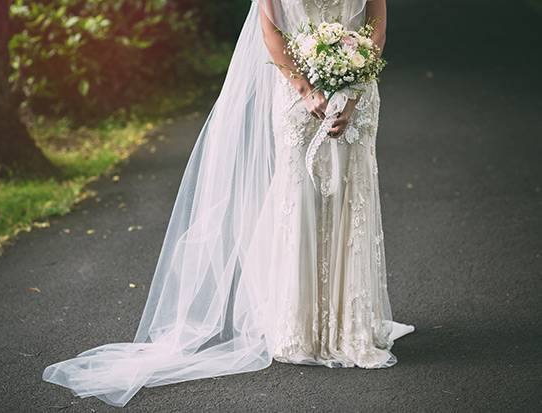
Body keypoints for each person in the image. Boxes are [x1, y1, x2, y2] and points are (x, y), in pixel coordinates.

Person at [43, 0, 414, 407]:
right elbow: (270, 29)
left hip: (357, 96)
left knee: (351, 196)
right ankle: (302, 327)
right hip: (296, 94)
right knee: (300, 196)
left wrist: (353, 90)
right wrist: (307, 90)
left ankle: (351, 326)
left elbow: (375, 26)